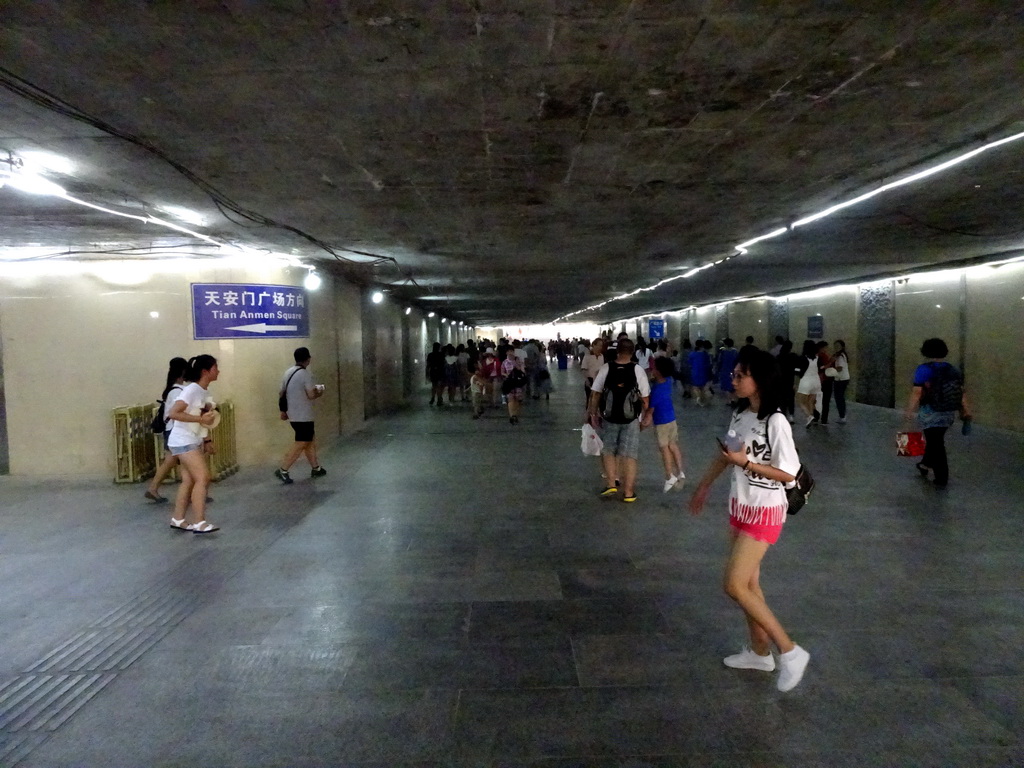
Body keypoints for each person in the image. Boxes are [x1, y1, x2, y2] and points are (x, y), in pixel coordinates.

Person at [688, 350, 809, 692]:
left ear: (761, 380)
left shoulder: (777, 421)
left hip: (766, 510)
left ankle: (789, 650)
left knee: (734, 585)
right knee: (750, 587)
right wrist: (704, 485)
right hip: (741, 507)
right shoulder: (740, 414)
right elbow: (727, 455)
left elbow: (788, 472)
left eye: (741, 375)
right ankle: (759, 653)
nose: (734, 379)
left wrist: (746, 463)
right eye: (735, 374)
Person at [588, 338, 651, 503]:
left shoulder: (606, 368)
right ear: (632, 352)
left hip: (609, 417)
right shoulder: (638, 370)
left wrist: (593, 414)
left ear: (617, 351)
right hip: (631, 420)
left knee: (608, 450)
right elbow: (645, 399)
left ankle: (611, 484)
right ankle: (629, 493)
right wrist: (645, 417)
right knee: (629, 455)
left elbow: (596, 393)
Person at [904, 338, 970, 489]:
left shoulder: (924, 369)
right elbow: (961, 391)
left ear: (926, 351)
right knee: (935, 439)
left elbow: (917, 392)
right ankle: (925, 464)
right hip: (948, 411)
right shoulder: (953, 369)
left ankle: (942, 477)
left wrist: (909, 411)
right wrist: (966, 410)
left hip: (930, 411)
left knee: (936, 443)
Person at [166, 355, 221, 533]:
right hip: (183, 440)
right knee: (203, 477)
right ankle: (200, 522)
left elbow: (203, 419)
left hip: (191, 439)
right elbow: (174, 413)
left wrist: (207, 439)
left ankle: (178, 518)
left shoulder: (203, 391)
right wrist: (199, 418)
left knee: (188, 480)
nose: (218, 371)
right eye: (215, 367)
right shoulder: (192, 389)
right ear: (205, 371)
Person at [274, 347, 326, 484]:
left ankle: (316, 468)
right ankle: (283, 469)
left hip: (293, 414)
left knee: (309, 440)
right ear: (308, 359)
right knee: (302, 442)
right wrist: (320, 391)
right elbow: (311, 395)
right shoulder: (305, 374)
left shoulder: (288, 372)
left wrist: (283, 410)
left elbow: (281, 393)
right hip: (304, 415)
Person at [145, 357, 188, 503]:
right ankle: (191, 492)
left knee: (171, 461)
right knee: (185, 460)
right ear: (183, 371)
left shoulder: (172, 389)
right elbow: (178, 411)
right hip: (176, 431)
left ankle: (153, 488)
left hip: (171, 430)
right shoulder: (177, 391)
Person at [643, 356, 685, 492]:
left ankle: (669, 476)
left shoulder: (656, 390)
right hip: (671, 419)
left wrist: (644, 422)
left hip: (661, 423)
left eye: (654, 367)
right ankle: (680, 472)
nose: (652, 369)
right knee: (673, 445)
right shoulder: (669, 381)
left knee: (664, 448)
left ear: (658, 371)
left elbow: (650, 410)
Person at [821, 340, 850, 424]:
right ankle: (842, 416)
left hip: (841, 379)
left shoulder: (841, 356)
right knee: (839, 398)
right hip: (840, 379)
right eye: (835, 345)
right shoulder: (837, 355)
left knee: (839, 398)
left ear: (842, 347)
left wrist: (830, 370)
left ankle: (842, 416)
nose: (836, 347)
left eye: (838, 346)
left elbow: (840, 368)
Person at [795, 340, 822, 427]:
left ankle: (809, 416)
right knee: (811, 401)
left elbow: (799, 370)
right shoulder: (818, 358)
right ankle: (810, 419)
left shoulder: (803, 358)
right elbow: (821, 368)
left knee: (800, 401)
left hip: (806, 381)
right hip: (816, 381)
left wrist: (794, 370)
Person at [501, 347, 525, 424]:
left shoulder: (517, 361)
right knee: (511, 399)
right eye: (509, 351)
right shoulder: (504, 362)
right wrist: (506, 374)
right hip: (509, 383)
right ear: (506, 353)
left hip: (517, 383)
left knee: (518, 399)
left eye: (512, 351)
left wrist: (518, 365)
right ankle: (512, 415)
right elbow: (502, 372)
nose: (511, 353)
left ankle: (516, 414)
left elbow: (522, 370)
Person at [580, 338, 606, 407]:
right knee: (590, 400)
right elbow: (584, 369)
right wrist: (587, 380)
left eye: (601, 346)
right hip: (590, 381)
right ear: (593, 345)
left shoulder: (601, 356)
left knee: (599, 401)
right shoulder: (588, 356)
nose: (600, 347)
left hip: (599, 382)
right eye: (598, 345)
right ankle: (589, 416)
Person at [716, 339, 740, 406]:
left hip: (725, 371)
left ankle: (729, 401)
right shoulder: (735, 352)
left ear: (725, 344)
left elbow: (719, 361)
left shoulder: (723, 352)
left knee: (726, 387)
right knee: (733, 386)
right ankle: (734, 399)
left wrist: (718, 369)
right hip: (733, 370)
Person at [688, 340, 713, 405]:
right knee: (703, 386)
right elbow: (709, 364)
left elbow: (690, 364)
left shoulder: (692, 354)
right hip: (704, 372)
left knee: (695, 387)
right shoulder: (706, 355)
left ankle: (699, 397)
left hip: (695, 372)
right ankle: (703, 398)